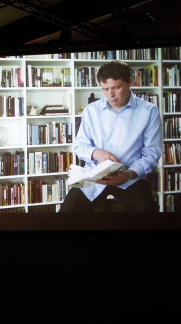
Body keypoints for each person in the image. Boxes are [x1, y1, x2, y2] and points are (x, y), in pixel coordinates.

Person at [59, 60, 162, 213]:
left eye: (116, 88)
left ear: (129, 83)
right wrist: (96, 153)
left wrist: (127, 175)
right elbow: (80, 145)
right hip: (94, 177)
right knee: (66, 215)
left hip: (131, 177)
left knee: (146, 216)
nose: (110, 95)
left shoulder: (149, 111)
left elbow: (152, 154)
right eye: (105, 89)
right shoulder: (91, 110)